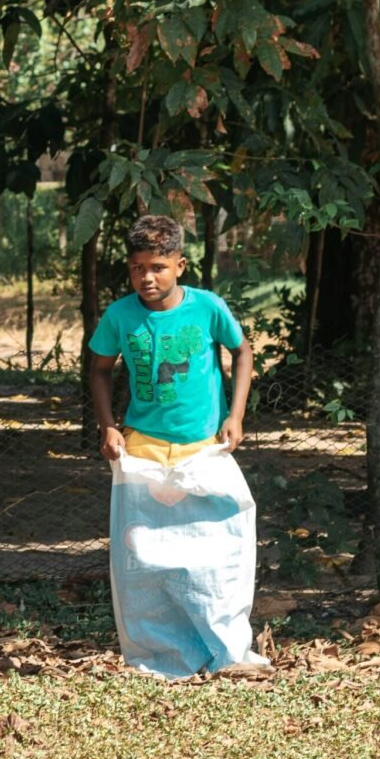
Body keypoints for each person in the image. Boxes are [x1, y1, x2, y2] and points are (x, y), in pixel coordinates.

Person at [87, 214, 267, 678]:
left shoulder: (207, 308)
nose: (147, 277)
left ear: (180, 266)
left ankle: (227, 653)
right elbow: (100, 369)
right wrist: (108, 426)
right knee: (145, 558)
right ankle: (159, 655)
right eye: (137, 268)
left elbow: (242, 350)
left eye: (158, 267)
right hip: (143, 450)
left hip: (202, 446)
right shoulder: (120, 315)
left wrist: (236, 415)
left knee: (216, 551)